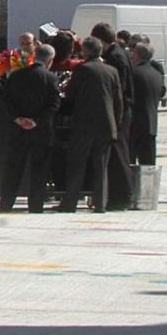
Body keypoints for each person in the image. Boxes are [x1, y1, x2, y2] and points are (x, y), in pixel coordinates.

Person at [0, 43, 61, 213]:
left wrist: (18, 118)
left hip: (18, 129)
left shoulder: (16, 76)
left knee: (14, 167)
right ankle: (36, 205)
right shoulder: (51, 78)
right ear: (50, 60)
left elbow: (5, 100)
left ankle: (6, 203)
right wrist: (36, 120)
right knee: (39, 168)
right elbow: (54, 104)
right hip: (40, 130)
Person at [58, 36, 120, 213]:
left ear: (85, 52)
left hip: (84, 124)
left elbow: (71, 95)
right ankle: (100, 203)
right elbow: (118, 101)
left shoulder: (82, 70)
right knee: (101, 165)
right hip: (106, 124)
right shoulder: (111, 71)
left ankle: (70, 202)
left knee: (77, 164)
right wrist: (116, 123)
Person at [129, 41, 165, 167]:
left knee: (130, 162)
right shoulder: (156, 74)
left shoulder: (134, 73)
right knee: (149, 164)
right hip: (151, 123)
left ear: (137, 55)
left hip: (135, 123)